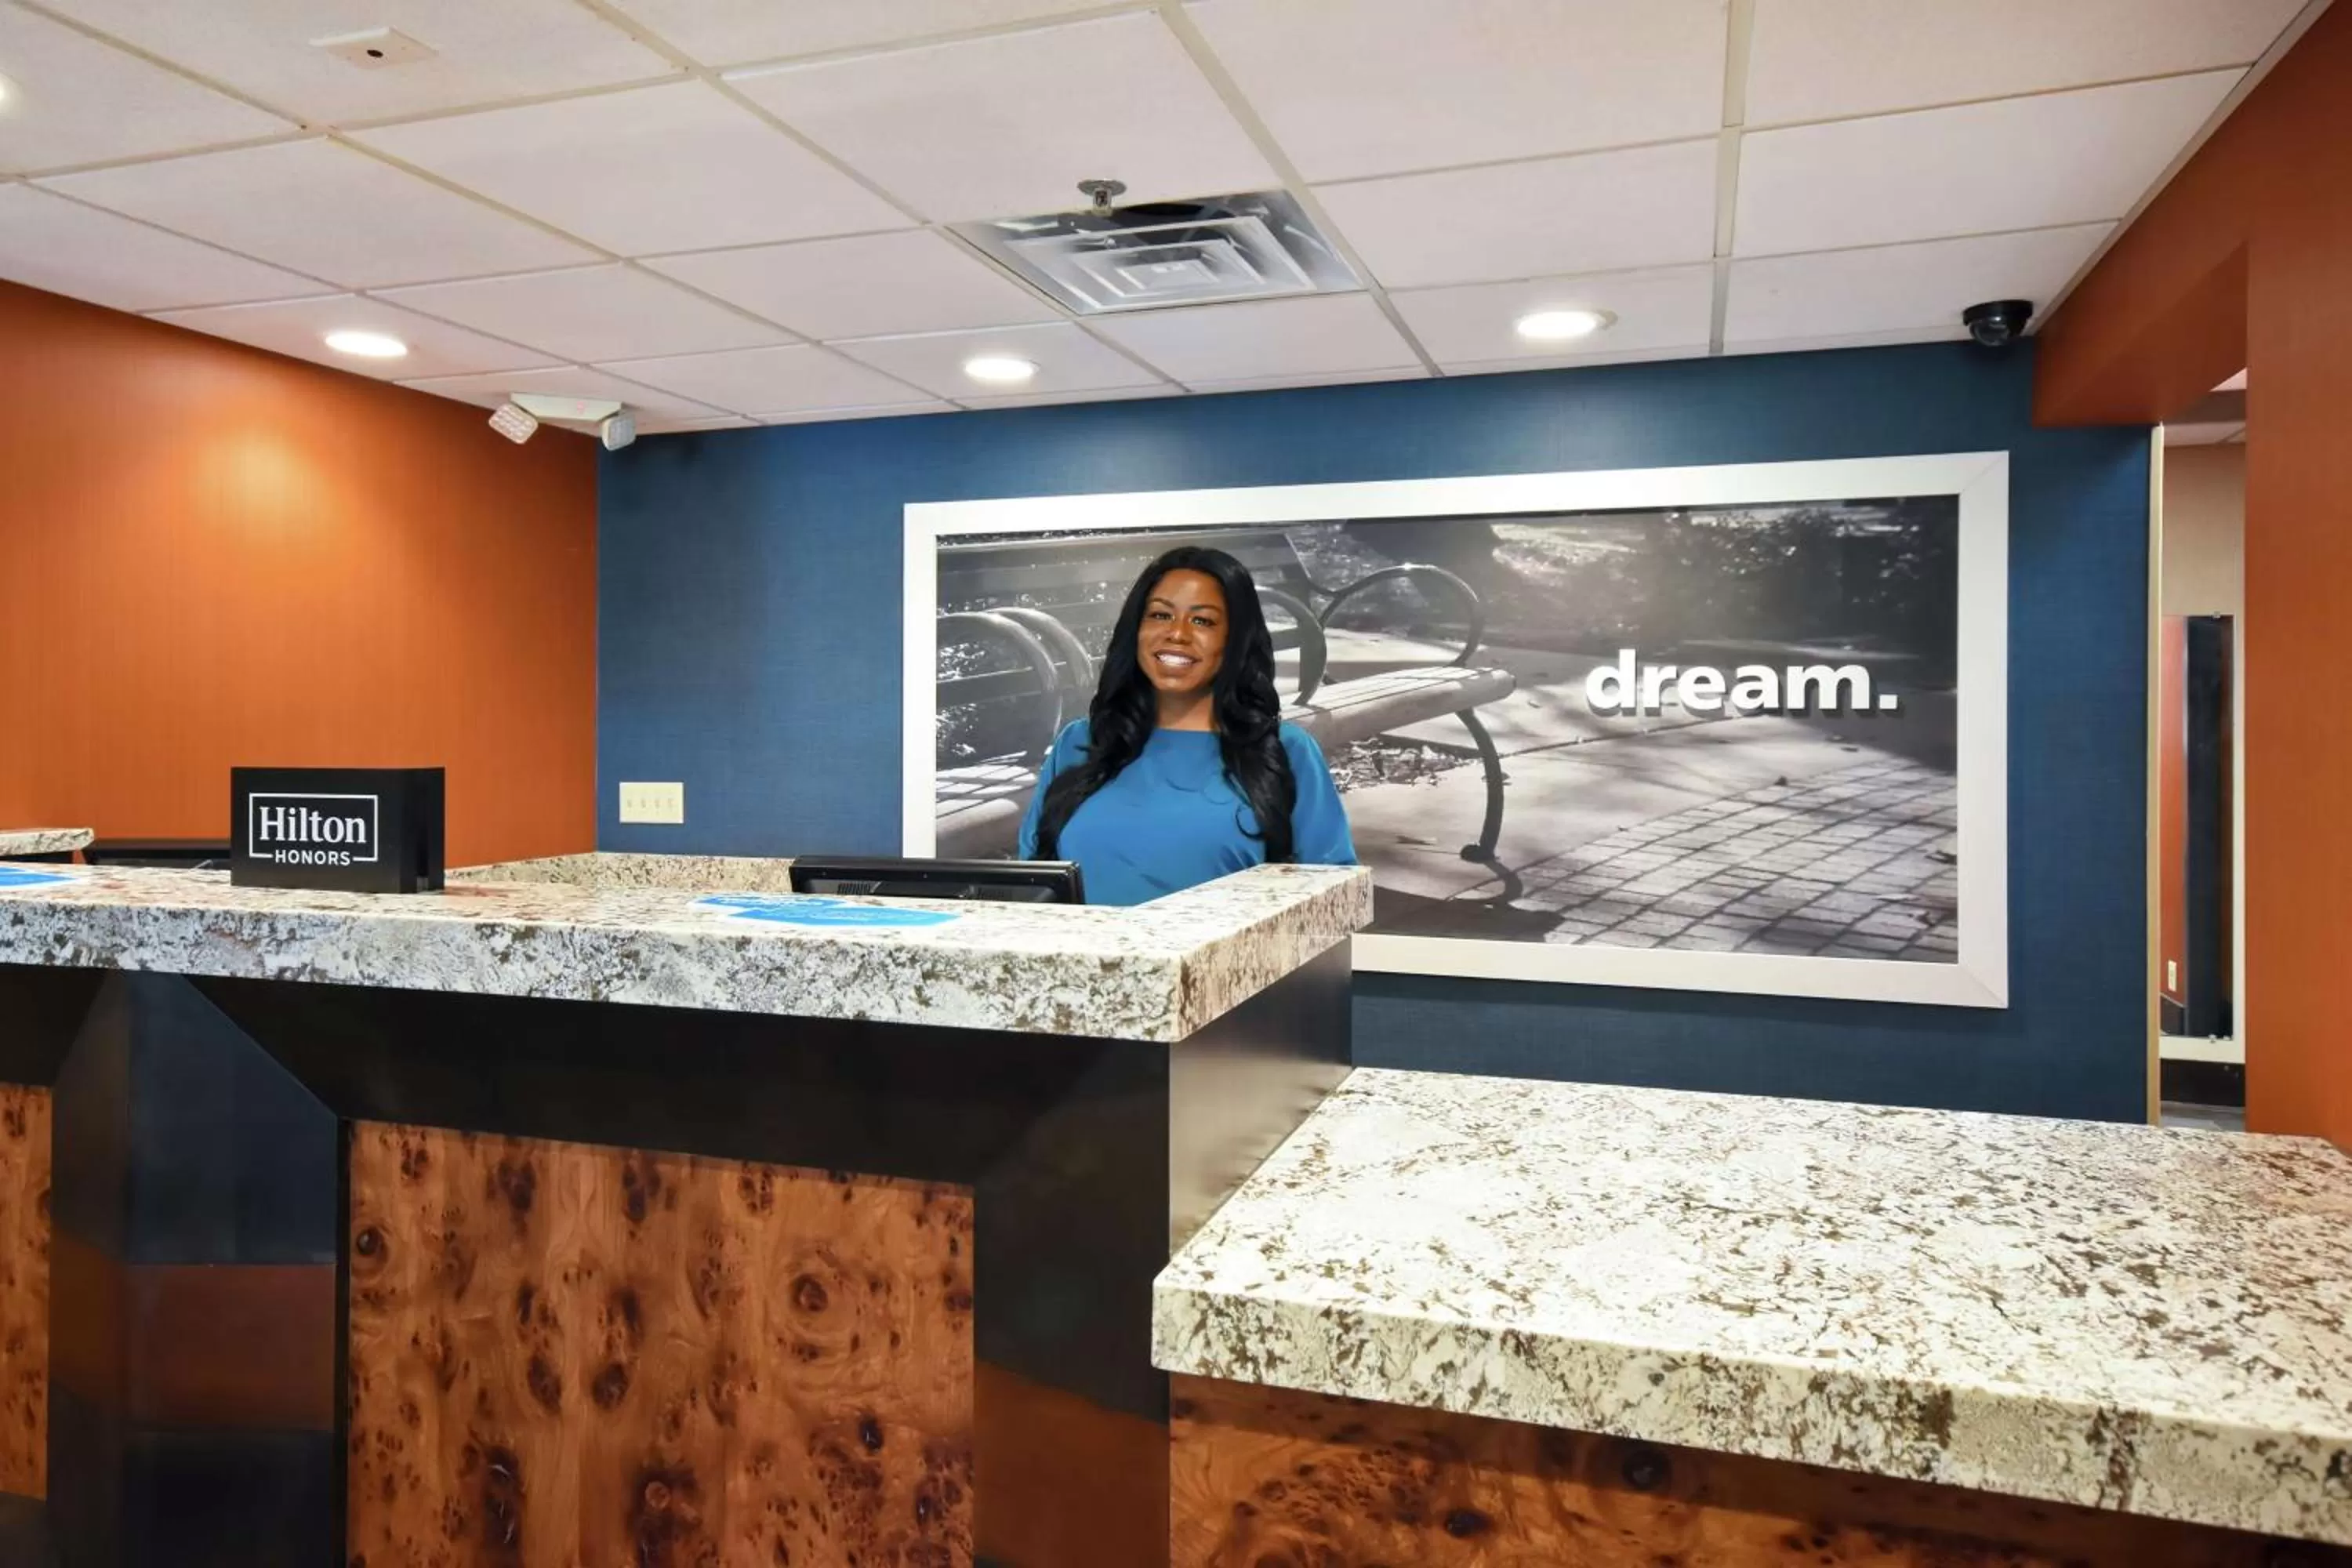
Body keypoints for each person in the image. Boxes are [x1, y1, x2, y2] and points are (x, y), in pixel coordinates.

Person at [1018, 545, 1356, 906]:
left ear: (1235, 640)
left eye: (1203, 621)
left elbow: (1332, 900)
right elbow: (1032, 883)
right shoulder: (1081, 742)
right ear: (1137, 629)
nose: (1177, 634)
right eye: (1160, 616)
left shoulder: (1285, 751)